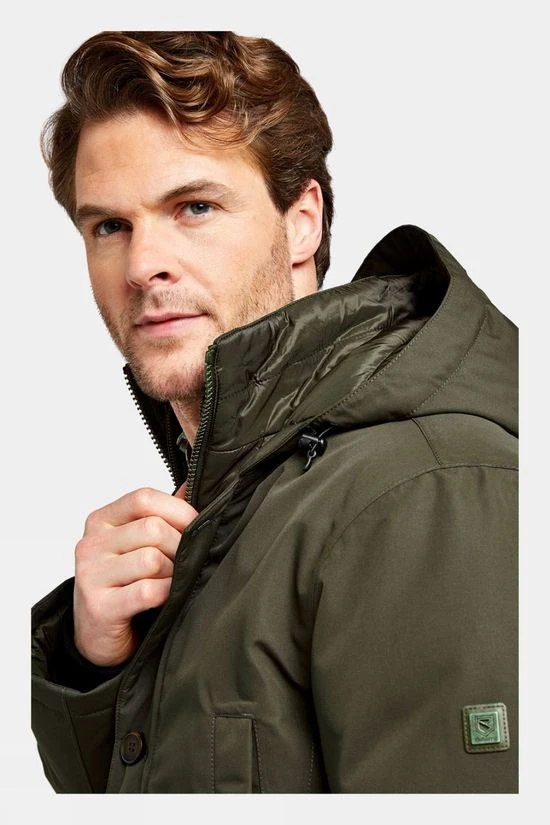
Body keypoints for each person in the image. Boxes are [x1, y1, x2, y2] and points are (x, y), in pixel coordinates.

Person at [30, 30, 518, 794]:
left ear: (302, 222)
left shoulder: (420, 494)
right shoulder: (238, 505)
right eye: (109, 226)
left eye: (193, 206)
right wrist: (98, 662)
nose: (142, 265)